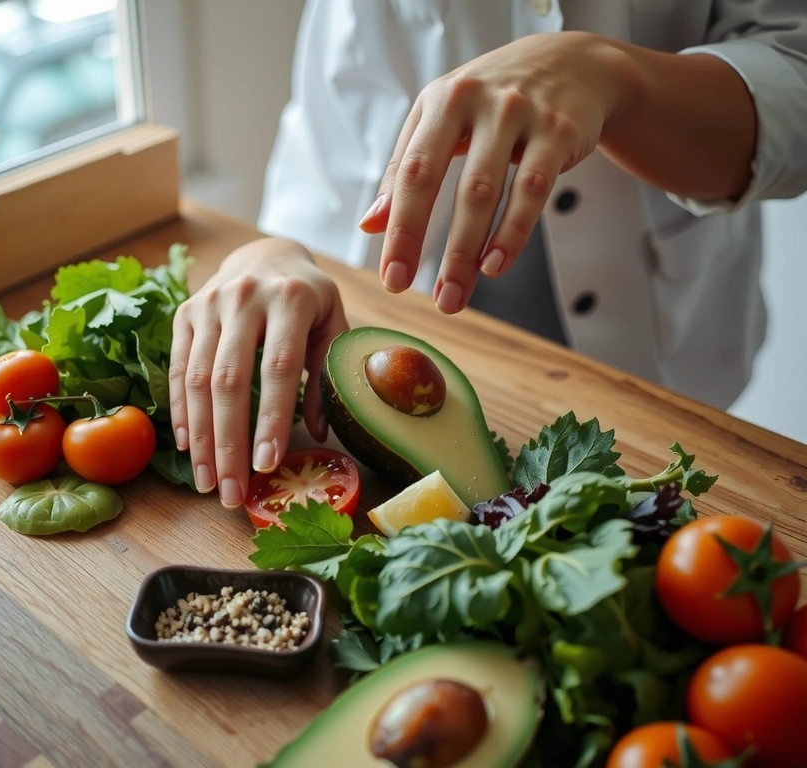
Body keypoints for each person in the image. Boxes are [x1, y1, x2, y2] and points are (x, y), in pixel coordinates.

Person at [168, 0, 807, 509]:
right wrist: (277, 249)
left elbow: (793, 74)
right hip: (406, 324)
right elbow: (336, 102)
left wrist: (620, 79)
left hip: (664, 368)